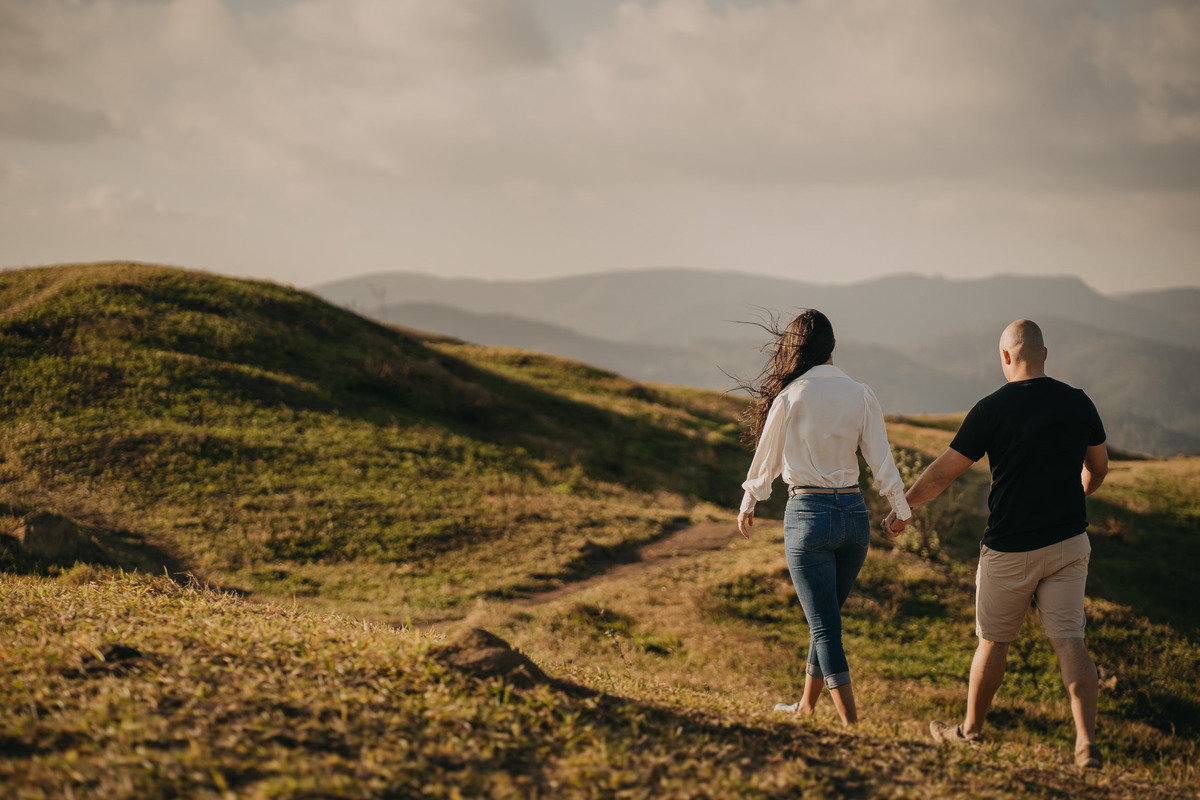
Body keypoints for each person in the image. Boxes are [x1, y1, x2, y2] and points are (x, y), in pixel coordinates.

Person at [883, 319, 1108, 770]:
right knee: (1070, 642)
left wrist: (903, 507)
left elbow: (944, 473)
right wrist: (1079, 493)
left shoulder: (991, 409)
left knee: (993, 643)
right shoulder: (1078, 401)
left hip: (1009, 549)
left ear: (1006, 356)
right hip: (1068, 543)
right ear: (1045, 355)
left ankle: (971, 732)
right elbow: (1099, 467)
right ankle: (1086, 745)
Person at [737, 309, 912, 725]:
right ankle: (805, 706)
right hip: (854, 518)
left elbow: (768, 458)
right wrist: (900, 508)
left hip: (808, 516)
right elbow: (881, 459)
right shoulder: (861, 393)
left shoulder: (791, 395)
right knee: (827, 621)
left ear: (796, 350)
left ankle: (852, 725)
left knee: (824, 628)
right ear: (833, 346)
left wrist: (749, 500)